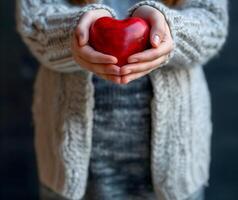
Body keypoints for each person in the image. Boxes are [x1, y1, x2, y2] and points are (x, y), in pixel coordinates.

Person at [16, 0, 228, 200]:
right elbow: (34, 19)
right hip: (68, 159)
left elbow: (213, 22)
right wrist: (74, 31)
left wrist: (172, 31)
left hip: (177, 159)